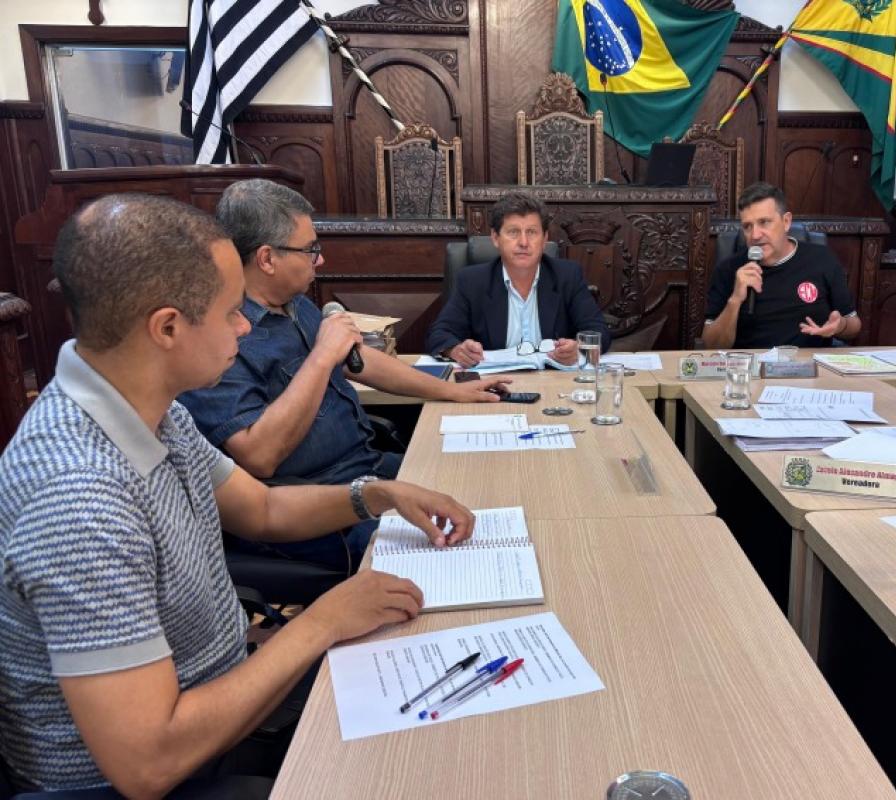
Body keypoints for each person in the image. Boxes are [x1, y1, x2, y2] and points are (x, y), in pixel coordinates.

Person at [0, 194, 475, 796]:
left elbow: (263, 508)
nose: (246, 326)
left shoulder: (154, 408)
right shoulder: (78, 499)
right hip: (154, 777)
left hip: (228, 694)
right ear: (167, 328)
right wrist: (321, 622)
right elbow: (149, 765)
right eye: (230, 312)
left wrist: (377, 493)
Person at [180, 180, 504, 570]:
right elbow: (259, 456)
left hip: (367, 466)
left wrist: (451, 390)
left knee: (482, 483)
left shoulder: (296, 304)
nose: (320, 261)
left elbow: (358, 360)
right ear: (267, 259)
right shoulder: (221, 337)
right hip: (316, 508)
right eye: (310, 249)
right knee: (463, 553)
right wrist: (321, 357)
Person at [425, 191, 610, 367]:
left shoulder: (567, 276)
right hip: (494, 382)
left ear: (544, 239)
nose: (523, 242)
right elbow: (439, 334)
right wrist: (455, 350)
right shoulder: (472, 281)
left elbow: (599, 331)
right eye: (513, 232)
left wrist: (579, 348)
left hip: (553, 380)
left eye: (532, 232)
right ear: (495, 238)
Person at [702, 182, 861, 350]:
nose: (755, 235)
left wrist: (841, 326)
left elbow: (854, 326)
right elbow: (710, 345)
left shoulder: (822, 259)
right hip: (751, 363)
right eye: (747, 226)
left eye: (764, 222)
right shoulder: (729, 269)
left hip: (808, 362)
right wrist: (735, 300)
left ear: (786, 222)